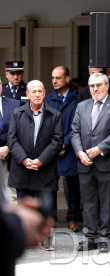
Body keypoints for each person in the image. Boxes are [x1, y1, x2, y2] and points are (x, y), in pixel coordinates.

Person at [7, 80, 63, 251]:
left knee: (47, 207)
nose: (37, 94)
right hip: (22, 168)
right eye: (34, 91)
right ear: (28, 94)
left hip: (44, 169)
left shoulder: (55, 114)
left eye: (40, 91)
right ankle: (25, 238)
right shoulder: (17, 113)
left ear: (45, 93)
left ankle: (46, 239)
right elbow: (12, 139)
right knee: (24, 205)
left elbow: (57, 141)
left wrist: (41, 160)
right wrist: (24, 159)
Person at [71, 73, 110, 252]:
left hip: (107, 162)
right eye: (92, 86)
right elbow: (75, 132)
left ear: (107, 86)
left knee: (108, 202)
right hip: (85, 162)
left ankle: (105, 238)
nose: (95, 89)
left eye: (99, 85)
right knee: (88, 202)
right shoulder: (82, 106)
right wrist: (79, 152)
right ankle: (90, 237)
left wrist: (100, 148)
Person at [45, 66, 81, 232]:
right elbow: (45, 125)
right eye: (53, 78)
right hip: (52, 148)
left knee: (72, 185)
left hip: (70, 148)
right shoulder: (48, 98)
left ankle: (72, 218)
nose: (54, 81)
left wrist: (64, 143)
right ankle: (51, 218)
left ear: (67, 79)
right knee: (50, 185)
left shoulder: (77, 98)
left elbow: (78, 124)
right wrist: (56, 144)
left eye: (58, 78)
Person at [0, 77, 20, 201]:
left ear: (1, 86)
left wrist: (8, 147)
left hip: (9, 157)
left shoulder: (14, 104)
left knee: (11, 196)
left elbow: (19, 129)